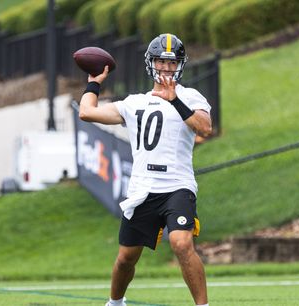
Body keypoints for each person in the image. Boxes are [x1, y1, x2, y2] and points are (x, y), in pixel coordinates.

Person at [79, 33, 212, 306]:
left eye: (171, 62)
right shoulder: (134, 102)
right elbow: (87, 113)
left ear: (180, 65)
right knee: (126, 257)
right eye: (160, 62)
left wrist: (174, 99)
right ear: (150, 63)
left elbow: (205, 128)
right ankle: (115, 303)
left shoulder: (190, 96)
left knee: (182, 243)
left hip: (178, 184)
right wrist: (93, 84)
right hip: (143, 187)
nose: (165, 68)